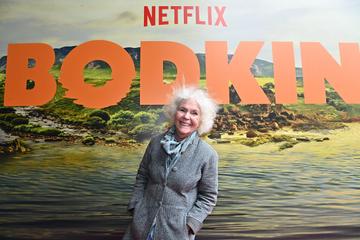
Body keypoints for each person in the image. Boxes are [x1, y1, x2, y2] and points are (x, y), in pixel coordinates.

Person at [122, 86, 219, 240]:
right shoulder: (155, 143)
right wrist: (136, 207)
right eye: (183, 110)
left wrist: (190, 224)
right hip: (141, 225)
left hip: (177, 232)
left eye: (194, 113)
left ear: (201, 120)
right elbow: (142, 177)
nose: (186, 116)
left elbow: (208, 196)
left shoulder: (207, 154)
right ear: (174, 112)